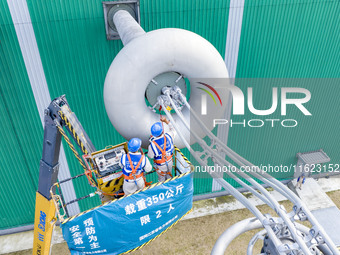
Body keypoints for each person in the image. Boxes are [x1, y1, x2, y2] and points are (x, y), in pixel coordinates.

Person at [148, 116, 176, 182]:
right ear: (162, 130)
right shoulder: (169, 136)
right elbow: (173, 129)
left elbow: (150, 156)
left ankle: (163, 189)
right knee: (169, 175)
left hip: (161, 165)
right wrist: (166, 121)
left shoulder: (152, 145)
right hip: (169, 161)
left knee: (161, 179)